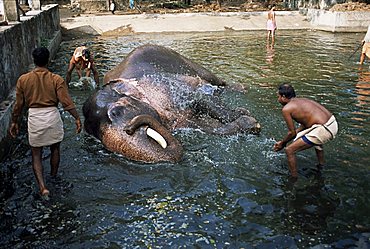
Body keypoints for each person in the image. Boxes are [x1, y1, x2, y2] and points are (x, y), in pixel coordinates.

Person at [10, 47, 82, 196]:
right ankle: (54, 177)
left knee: (36, 154)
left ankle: (43, 187)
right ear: (48, 60)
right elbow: (66, 103)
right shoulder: (56, 79)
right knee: (55, 149)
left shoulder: (23, 80)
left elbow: (18, 105)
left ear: (34, 61)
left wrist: (14, 121)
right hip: (52, 115)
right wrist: (76, 118)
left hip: (35, 117)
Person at [273, 84, 338, 178]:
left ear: (283, 97)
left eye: (278, 96)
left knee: (289, 150)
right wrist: (297, 133)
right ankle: (321, 166)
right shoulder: (302, 101)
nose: (278, 99)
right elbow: (306, 123)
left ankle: (293, 179)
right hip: (332, 123)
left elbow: (291, 133)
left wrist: (282, 144)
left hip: (324, 129)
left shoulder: (286, 109)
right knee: (314, 139)